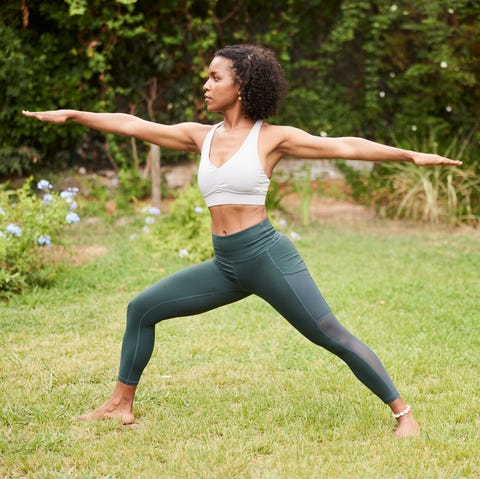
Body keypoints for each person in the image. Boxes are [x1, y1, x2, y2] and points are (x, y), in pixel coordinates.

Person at [23, 44, 462, 438]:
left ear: (242, 85)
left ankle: (404, 414)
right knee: (142, 308)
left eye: (216, 77)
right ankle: (120, 405)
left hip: (266, 256)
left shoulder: (272, 138)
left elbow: (345, 146)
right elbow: (134, 124)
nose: (206, 84)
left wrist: (409, 155)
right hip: (226, 264)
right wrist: (74, 114)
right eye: (207, 76)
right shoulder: (202, 135)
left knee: (329, 333)